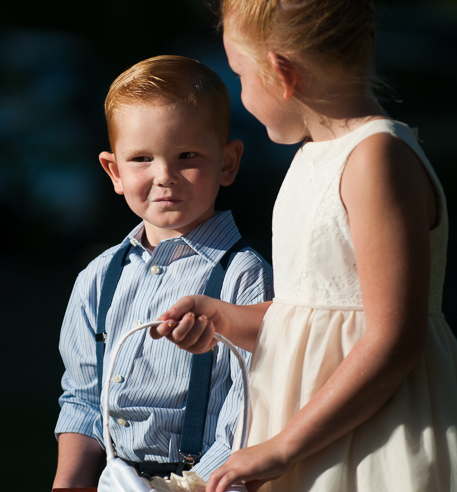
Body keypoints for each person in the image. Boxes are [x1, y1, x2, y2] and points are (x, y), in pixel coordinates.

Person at [151, 1, 457, 491]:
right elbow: (316, 315)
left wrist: (283, 446)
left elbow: (393, 338)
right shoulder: (313, 157)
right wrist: (230, 319)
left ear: (282, 74)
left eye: (240, 75)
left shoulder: (376, 158)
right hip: (308, 430)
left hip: (376, 435)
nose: (241, 95)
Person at [52, 55, 274, 489]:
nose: (164, 175)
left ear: (228, 162)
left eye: (187, 155)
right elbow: (83, 400)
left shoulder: (245, 277)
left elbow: (254, 407)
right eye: (141, 159)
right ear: (113, 171)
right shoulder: (98, 279)